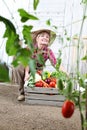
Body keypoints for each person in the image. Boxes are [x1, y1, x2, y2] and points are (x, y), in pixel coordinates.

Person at [11, 28, 65, 101]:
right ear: (37, 38)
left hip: (38, 70)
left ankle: (35, 93)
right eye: (42, 36)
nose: (45, 38)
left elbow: (55, 63)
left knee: (40, 81)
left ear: (48, 40)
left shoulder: (48, 51)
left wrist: (64, 72)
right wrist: (26, 73)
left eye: (47, 37)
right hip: (27, 67)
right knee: (18, 67)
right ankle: (22, 92)